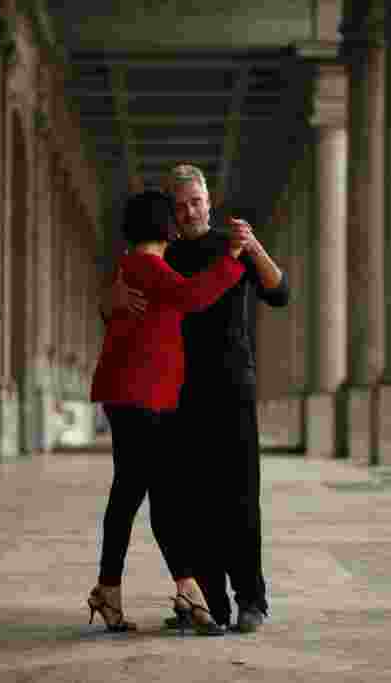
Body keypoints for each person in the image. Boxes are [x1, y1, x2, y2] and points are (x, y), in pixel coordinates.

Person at [105, 165, 290, 633]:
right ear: (170, 207)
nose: (189, 212)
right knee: (192, 501)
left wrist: (254, 247)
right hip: (176, 390)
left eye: (196, 202)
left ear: (210, 201)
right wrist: (116, 298)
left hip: (231, 384)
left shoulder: (232, 243)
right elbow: (116, 304)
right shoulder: (160, 252)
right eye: (181, 204)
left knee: (240, 496)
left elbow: (280, 292)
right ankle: (211, 605)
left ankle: (251, 599)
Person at [87, 189, 247, 636]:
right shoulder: (148, 266)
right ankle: (184, 591)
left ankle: (120, 590)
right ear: (166, 227)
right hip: (141, 395)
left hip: (136, 393)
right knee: (153, 493)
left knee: (139, 493)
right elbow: (194, 297)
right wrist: (233, 259)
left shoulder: (132, 267)